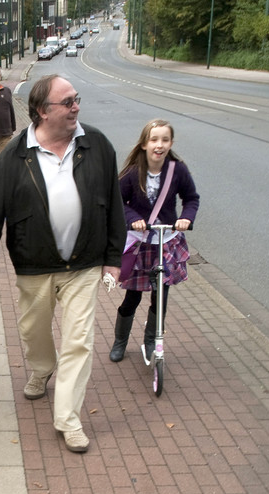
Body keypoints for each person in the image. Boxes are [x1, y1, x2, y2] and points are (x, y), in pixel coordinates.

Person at [0, 75, 125, 454]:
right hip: (33, 265)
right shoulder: (14, 155)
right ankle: (41, 368)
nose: (76, 107)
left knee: (79, 341)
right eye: (67, 102)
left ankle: (68, 418)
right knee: (34, 332)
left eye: (76, 99)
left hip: (84, 265)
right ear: (42, 111)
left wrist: (113, 259)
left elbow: (114, 202)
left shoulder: (97, 145)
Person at [111, 119, 200, 364]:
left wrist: (185, 218)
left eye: (164, 140)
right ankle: (120, 341)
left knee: (160, 295)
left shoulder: (177, 170)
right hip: (141, 242)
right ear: (143, 144)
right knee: (133, 297)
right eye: (154, 140)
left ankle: (152, 340)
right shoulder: (132, 173)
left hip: (166, 239)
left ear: (170, 143)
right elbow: (118, 201)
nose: (159, 145)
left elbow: (191, 198)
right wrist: (133, 218)